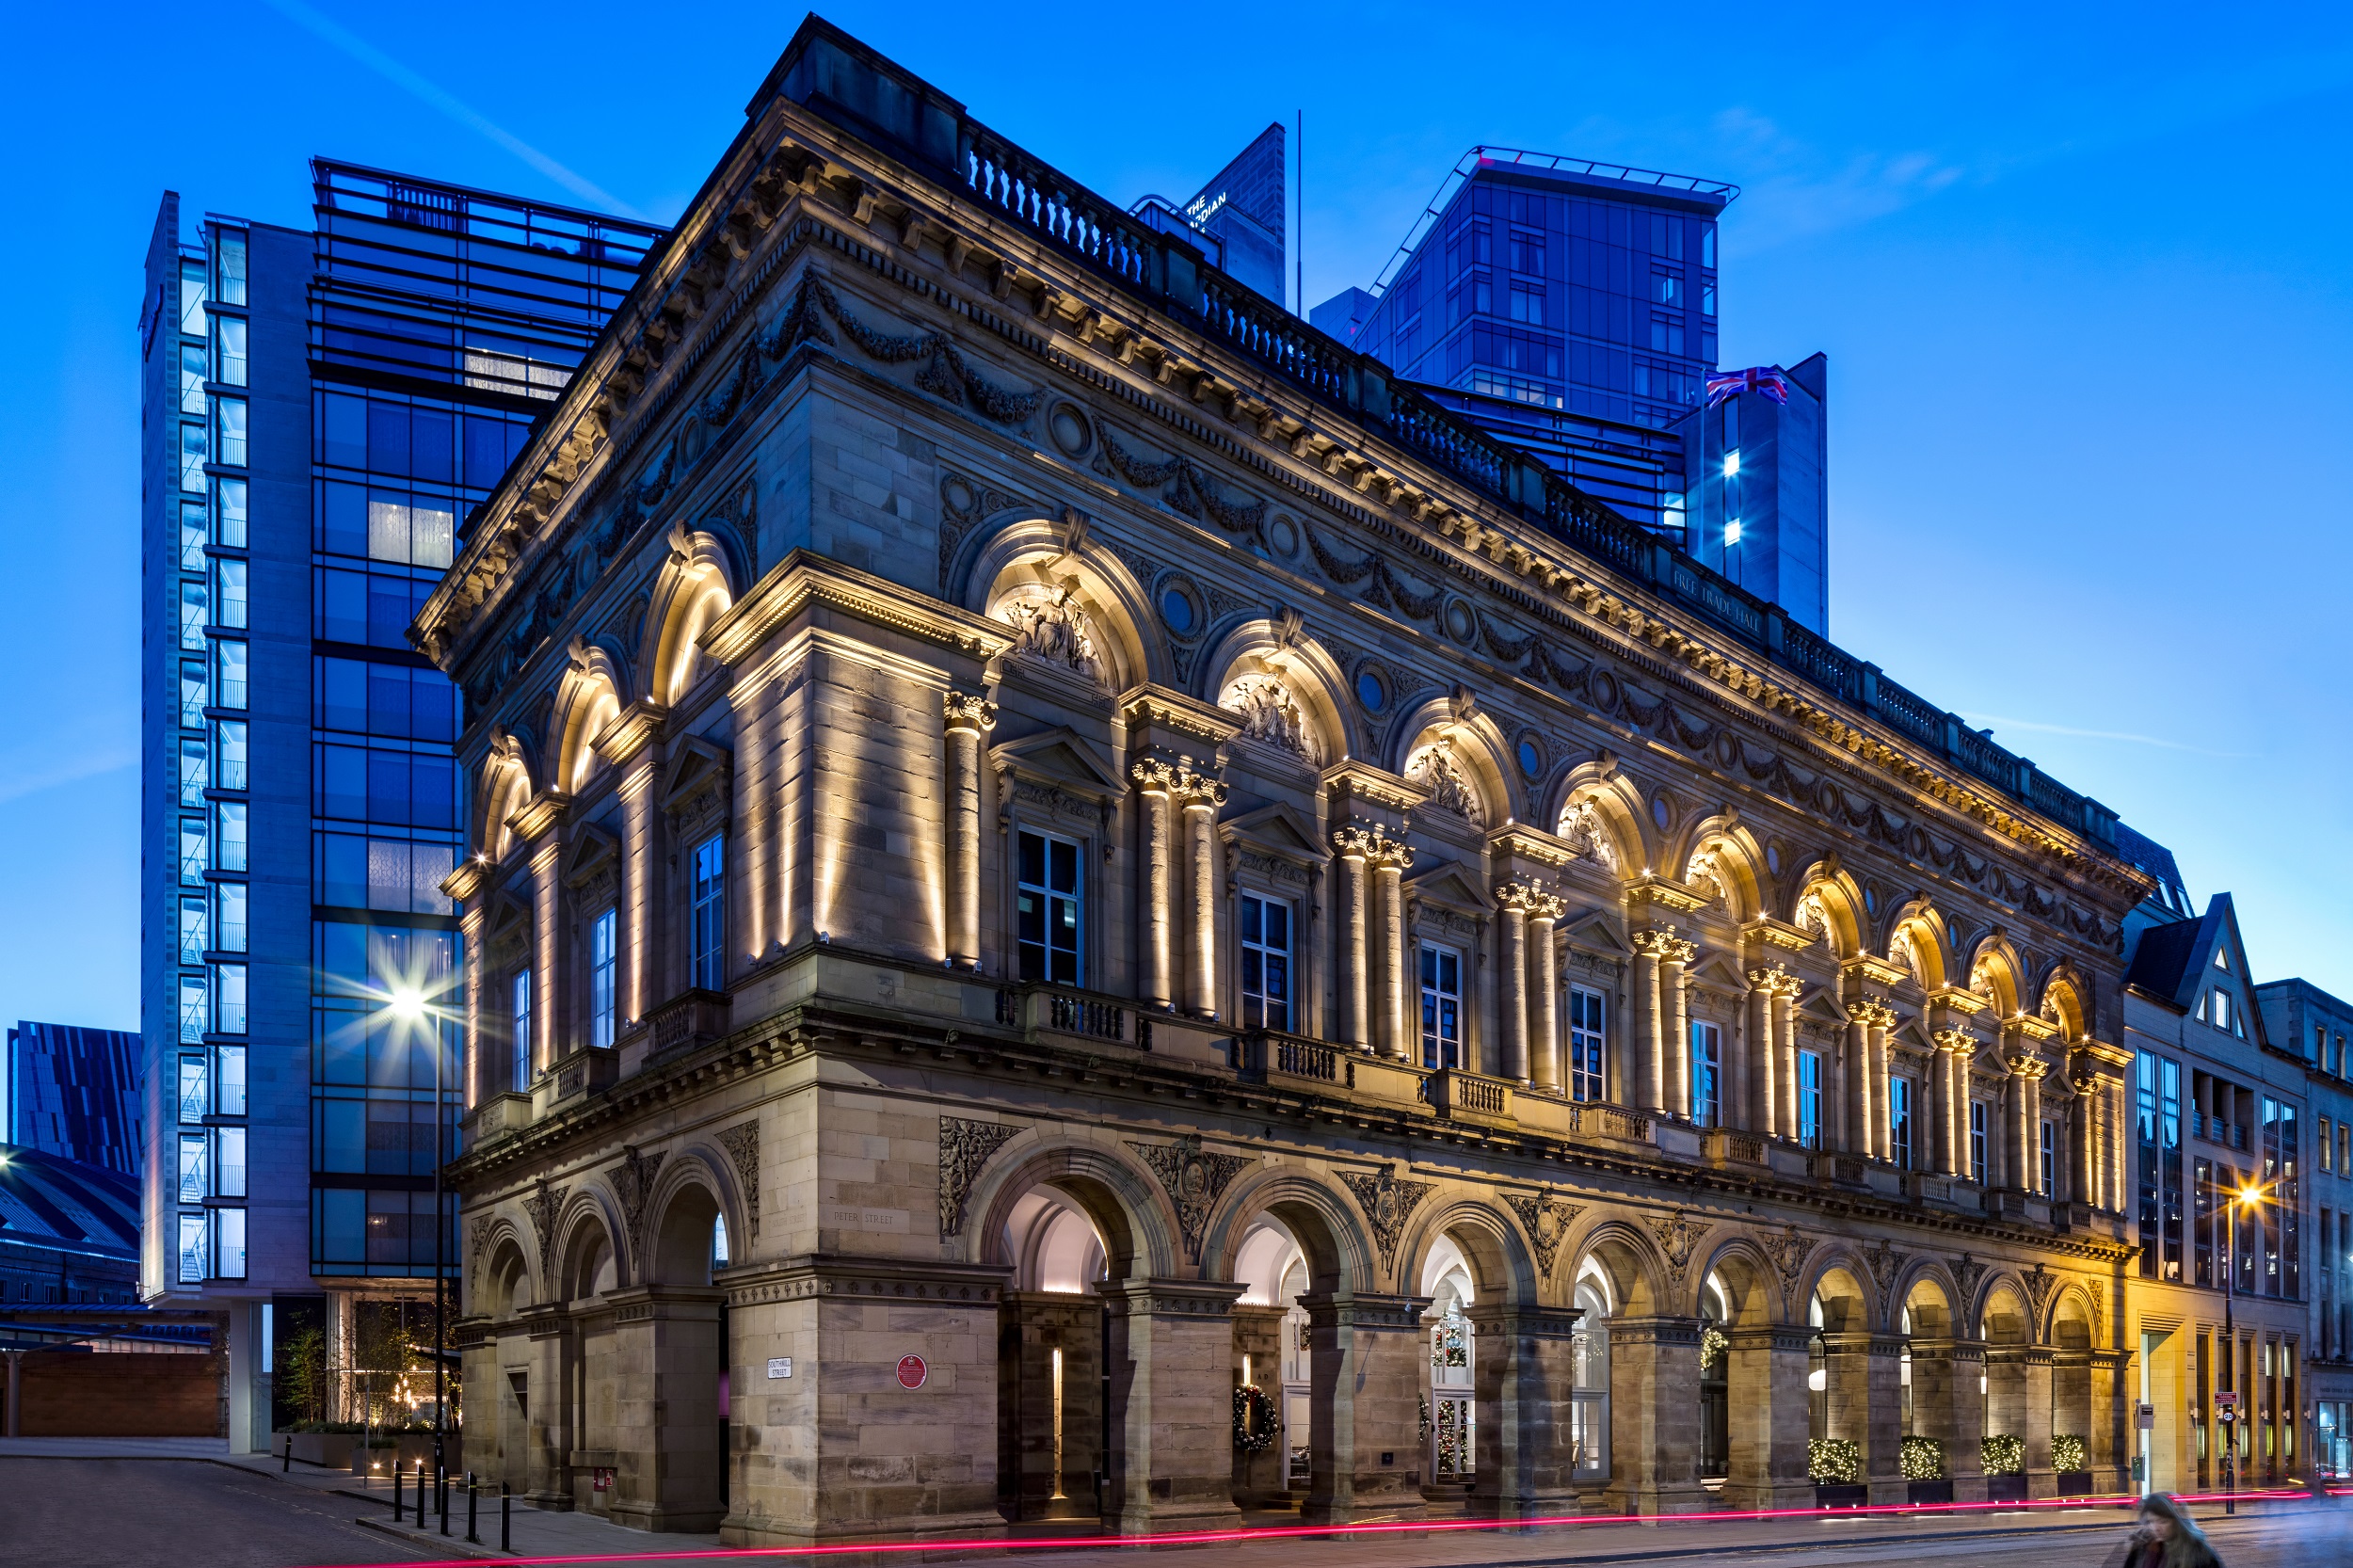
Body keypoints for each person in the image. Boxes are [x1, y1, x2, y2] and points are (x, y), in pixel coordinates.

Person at [2103, 1494, 2223, 1568]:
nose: (2156, 1528)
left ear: (2176, 1521)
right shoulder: (2141, 1548)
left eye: (2163, 1521)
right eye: (2150, 1522)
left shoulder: (2198, 1552)